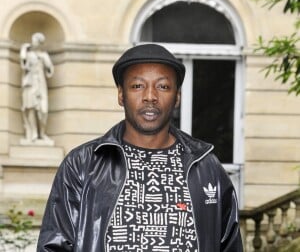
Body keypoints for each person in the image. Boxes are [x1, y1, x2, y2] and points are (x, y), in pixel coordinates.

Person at [37, 44, 243, 251]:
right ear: (121, 95)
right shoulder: (82, 164)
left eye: (163, 86)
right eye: (137, 86)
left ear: (177, 97)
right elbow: (54, 246)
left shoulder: (207, 168)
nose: (150, 96)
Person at [20, 32, 54, 143]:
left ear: (39, 43)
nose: (32, 42)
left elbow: (50, 70)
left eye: (35, 40)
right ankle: (33, 133)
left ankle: (42, 133)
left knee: (43, 110)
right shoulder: (28, 54)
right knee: (30, 107)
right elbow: (23, 65)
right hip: (29, 84)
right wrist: (23, 50)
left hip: (40, 84)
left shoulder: (44, 55)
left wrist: (45, 63)